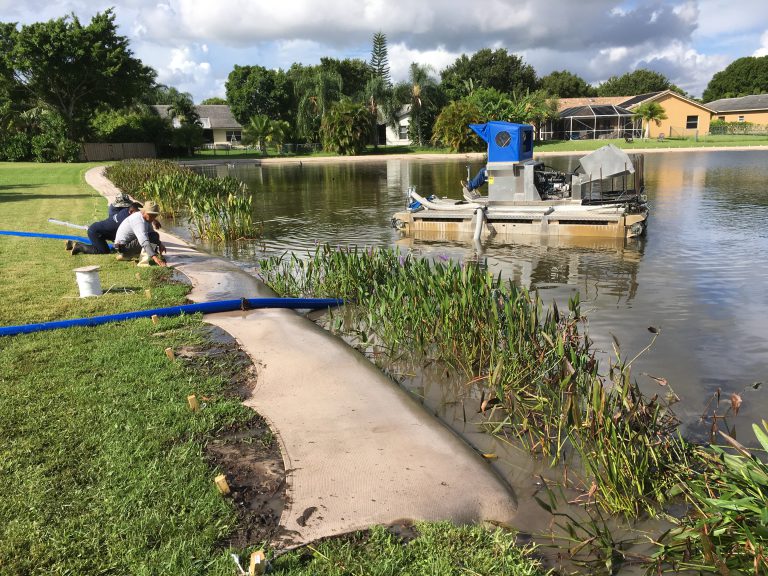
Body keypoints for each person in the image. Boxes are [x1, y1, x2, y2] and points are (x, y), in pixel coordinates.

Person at [69, 202, 142, 255]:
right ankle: (79, 246)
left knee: (104, 247)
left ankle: (71, 244)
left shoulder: (125, 211)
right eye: (137, 213)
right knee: (103, 251)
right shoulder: (126, 220)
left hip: (97, 229)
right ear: (131, 211)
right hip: (96, 232)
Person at [113, 201, 167, 267]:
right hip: (123, 247)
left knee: (154, 235)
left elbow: (151, 233)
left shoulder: (146, 218)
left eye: (155, 216)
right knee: (150, 238)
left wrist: (160, 244)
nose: (153, 218)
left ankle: (127, 256)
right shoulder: (138, 221)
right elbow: (144, 241)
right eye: (151, 215)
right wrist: (156, 259)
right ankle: (142, 262)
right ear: (144, 212)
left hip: (127, 245)